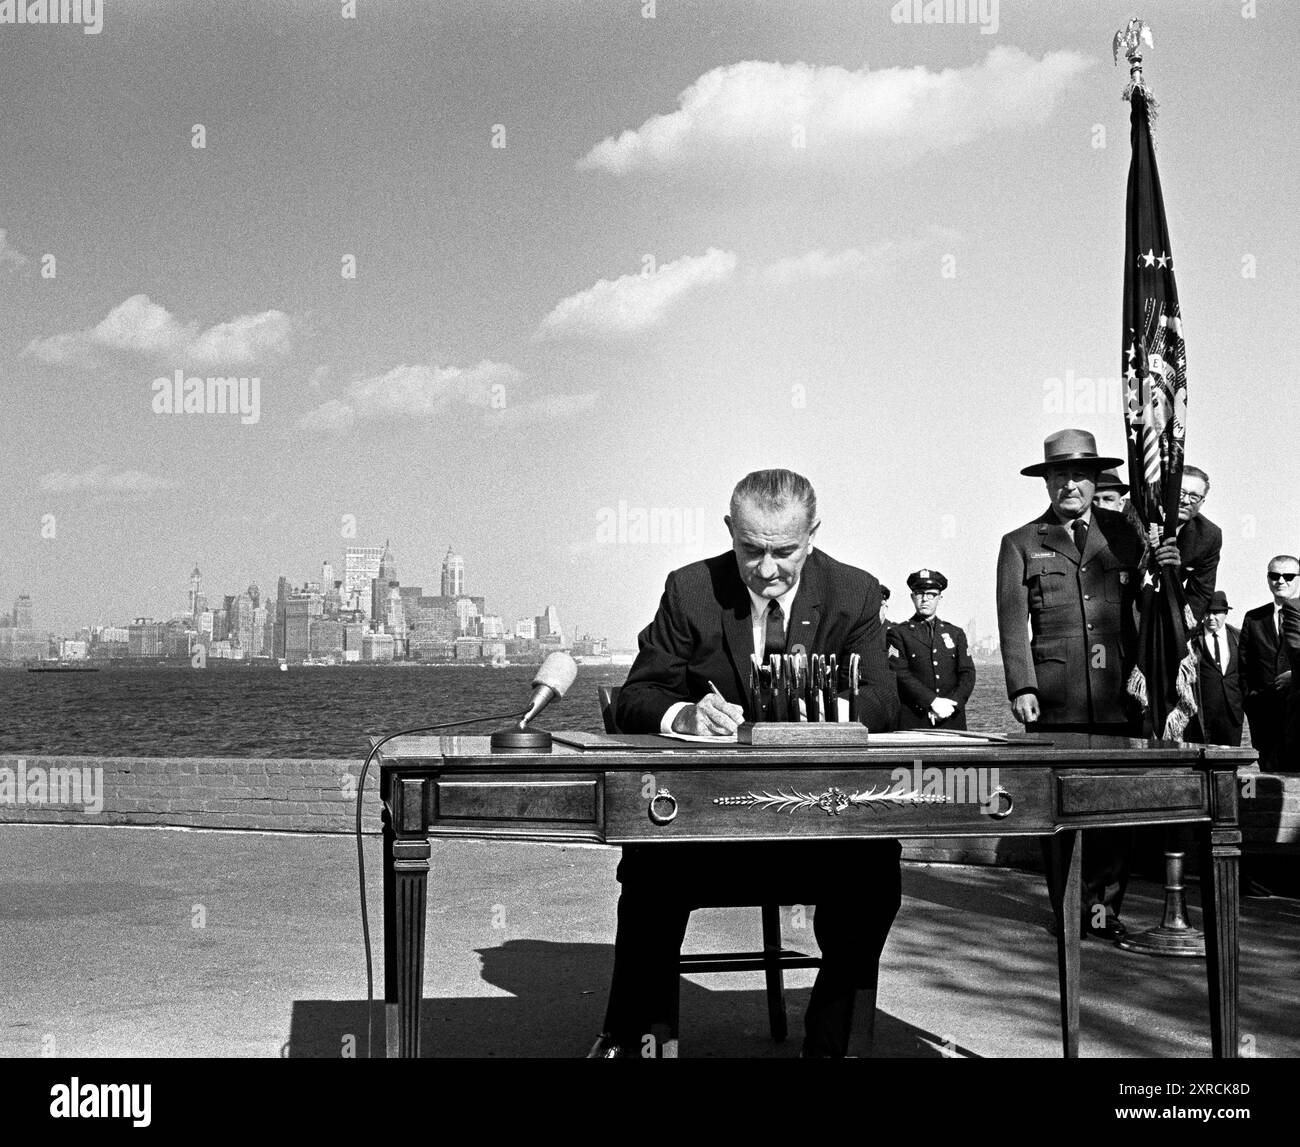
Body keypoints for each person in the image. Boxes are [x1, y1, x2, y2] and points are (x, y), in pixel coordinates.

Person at [593, 468, 901, 1058]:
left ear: (813, 535)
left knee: (876, 872)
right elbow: (636, 697)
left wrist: (800, 712)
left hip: (819, 830)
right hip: (710, 832)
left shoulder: (854, 592)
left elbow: (883, 702)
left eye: (784, 552)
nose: (766, 569)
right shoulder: (690, 589)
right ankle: (638, 1042)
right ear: (729, 530)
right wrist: (684, 715)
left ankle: (832, 1046)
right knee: (649, 873)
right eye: (751, 549)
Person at [996, 428, 1176, 940]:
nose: (1069, 485)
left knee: (1115, 810)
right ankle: (1071, 910)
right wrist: (1022, 687)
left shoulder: (1128, 535)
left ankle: (1105, 912)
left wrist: (1168, 566)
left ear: (1095, 481)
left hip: (1120, 697)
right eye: (1059, 476)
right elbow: (1012, 623)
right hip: (1055, 703)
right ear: (1046, 483)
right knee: (1060, 814)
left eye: (1079, 475)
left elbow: (1152, 607)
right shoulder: (1021, 542)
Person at [887, 569, 976, 730]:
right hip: (915, 720)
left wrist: (953, 705)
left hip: (951, 719)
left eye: (931, 595)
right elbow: (900, 674)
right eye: (920, 594)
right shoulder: (898, 633)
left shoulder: (955, 634)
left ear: (939, 598)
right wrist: (932, 702)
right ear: (912, 597)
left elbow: (967, 674)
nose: (925, 599)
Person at [1239, 555, 1300, 772]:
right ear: (1267, 578)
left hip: (1297, 713)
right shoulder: (1253, 618)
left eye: (1288, 576)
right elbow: (1243, 667)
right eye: (1274, 575)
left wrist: (1295, 677)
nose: (1280, 581)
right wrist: (1251, 702)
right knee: (1269, 779)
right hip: (1264, 716)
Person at [1151, 465, 1221, 629]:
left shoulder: (1209, 536)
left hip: (1164, 613)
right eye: (1180, 493)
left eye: (1194, 497)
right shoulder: (1139, 515)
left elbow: (1200, 593)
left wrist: (1181, 633)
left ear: (1202, 502)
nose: (1186, 501)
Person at [1187, 591, 1244, 747]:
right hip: (1202, 718)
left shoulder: (1238, 637)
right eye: (1207, 612)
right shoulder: (1192, 640)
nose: (1211, 617)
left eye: (1216, 612)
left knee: (1231, 758)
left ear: (1225, 613)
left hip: (1232, 716)